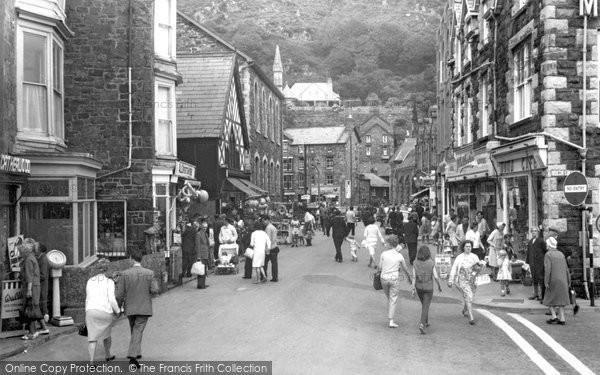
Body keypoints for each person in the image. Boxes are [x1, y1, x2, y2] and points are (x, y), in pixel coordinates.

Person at [116, 249, 160, 368]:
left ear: (131, 259)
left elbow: (119, 294)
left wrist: (119, 307)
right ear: (142, 259)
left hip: (130, 307)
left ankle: (137, 352)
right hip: (144, 307)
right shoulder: (149, 273)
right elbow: (155, 290)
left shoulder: (125, 274)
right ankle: (133, 355)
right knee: (138, 330)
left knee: (134, 329)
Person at [85, 258, 120, 363]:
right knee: (107, 334)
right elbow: (112, 300)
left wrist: (87, 311)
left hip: (91, 311)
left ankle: (91, 362)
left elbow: (87, 297)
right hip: (105, 312)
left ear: (97, 268)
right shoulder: (109, 282)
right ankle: (108, 355)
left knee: (92, 338)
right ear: (107, 269)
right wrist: (117, 311)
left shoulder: (90, 281)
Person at [377, 235, 412, 328]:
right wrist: (409, 278)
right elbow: (405, 269)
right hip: (394, 278)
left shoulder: (384, 254)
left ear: (389, 244)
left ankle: (390, 314)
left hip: (384, 278)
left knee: (389, 297)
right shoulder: (399, 256)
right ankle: (391, 320)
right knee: (393, 298)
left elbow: (379, 267)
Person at [448, 240, 485, 325]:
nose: (468, 248)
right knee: (469, 295)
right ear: (463, 247)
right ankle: (471, 317)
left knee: (469, 297)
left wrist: (481, 266)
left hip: (473, 280)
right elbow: (454, 268)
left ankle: (465, 310)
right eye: (467, 246)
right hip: (463, 279)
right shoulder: (459, 257)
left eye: (470, 246)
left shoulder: (475, 256)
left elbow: (478, 268)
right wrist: (450, 280)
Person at [411, 246, 442, 334]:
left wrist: (413, 289)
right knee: (426, 305)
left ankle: (426, 321)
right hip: (429, 287)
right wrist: (439, 285)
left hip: (419, 287)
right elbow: (435, 276)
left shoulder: (415, 262)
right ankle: (422, 324)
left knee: (424, 304)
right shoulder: (431, 262)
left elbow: (414, 277)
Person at [19, 240, 44, 340]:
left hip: (31, 287)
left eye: (21, 251)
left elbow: (29, 276)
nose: (20, 253)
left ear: (25, 251)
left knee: (29, 309)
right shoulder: (33, 258)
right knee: (33, 308)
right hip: (36, 286)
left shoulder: (28, 260)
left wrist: (29, 290)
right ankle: (34, 331)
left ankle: (31, 332)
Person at [543, 237, 571, 325]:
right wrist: (568, 280)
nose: (546, 245)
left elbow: (548, 269)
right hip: (563, 279)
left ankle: (554, 316)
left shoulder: (548, 254)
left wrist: (546, 281)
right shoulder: (561, 254)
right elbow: (566, 269)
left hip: (553, 280)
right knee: (561, 300)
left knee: (548, 298)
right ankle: (562, 319)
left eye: (547, 244)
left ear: (549, 245)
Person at [526, 227, 546, 301]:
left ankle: (541, 295)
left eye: (535, 231)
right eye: (532, 231)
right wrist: (527, 262)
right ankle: (535, 293)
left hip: (539, 263)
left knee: (540, 278)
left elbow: (545, 250)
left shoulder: (541, 241)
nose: (533, 232)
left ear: (538, 232)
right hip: (532, 263)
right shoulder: (530, 241)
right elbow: (528, 253)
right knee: (534, 278)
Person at [35, 243, 50, 329]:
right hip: (40, 285)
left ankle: (44, 324)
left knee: (42, 303)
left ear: (39, 250)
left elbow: (43, 275)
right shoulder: (40, 258)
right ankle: (43, 324)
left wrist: (34, 277)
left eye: (36, 247)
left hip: (42, 285)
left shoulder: (43, 259)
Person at [194, 219, 211, 289]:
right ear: (201, 227)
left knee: (204, 270)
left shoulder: (205, 234)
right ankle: (201, 285)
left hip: (206, 253)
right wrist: (198, 256)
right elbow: (197, 246)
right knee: (201, 270)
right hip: (201, 254)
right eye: (204, 227)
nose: (205, 229)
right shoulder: (198, 234)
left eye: (206, 227)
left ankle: (202, 283)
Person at [262, 216, 279, 282]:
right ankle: (275, 277)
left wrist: (267, 249)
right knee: (274, 263)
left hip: (270, 248)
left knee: (264, 263)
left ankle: (264, 276)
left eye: (264, 221)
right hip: (274, 246)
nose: (263, 223)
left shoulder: (268, 228)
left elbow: (268, 239)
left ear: (268, 220)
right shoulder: (273, 227)